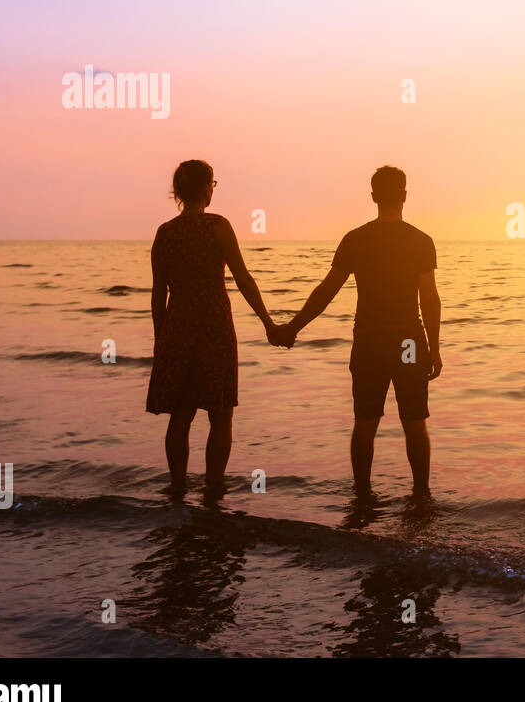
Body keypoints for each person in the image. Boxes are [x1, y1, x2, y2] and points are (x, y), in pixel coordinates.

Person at [271, 166, 442, 500]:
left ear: (374, 196)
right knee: (414, 420)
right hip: (408, 340)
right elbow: (429, 297)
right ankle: (421, 494)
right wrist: (433, 348)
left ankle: (362, 494)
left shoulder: (356, 239)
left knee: (365, 421)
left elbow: (325, 292)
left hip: (369, 340)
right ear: (404, 195)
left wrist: (292, 327)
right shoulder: (421, 241)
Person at [146, 159, 279, 495]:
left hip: (177, 327)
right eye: (213, 184)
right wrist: (268, 322)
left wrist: (160, 338)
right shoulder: (218, 226)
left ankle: (177, 488)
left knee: (181, 415)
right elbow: (244, 279)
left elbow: (158, 292)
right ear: (207, 188)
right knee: (220, 415)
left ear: (177, 191)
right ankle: (213, 489)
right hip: (214, 327)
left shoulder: (165, 233)